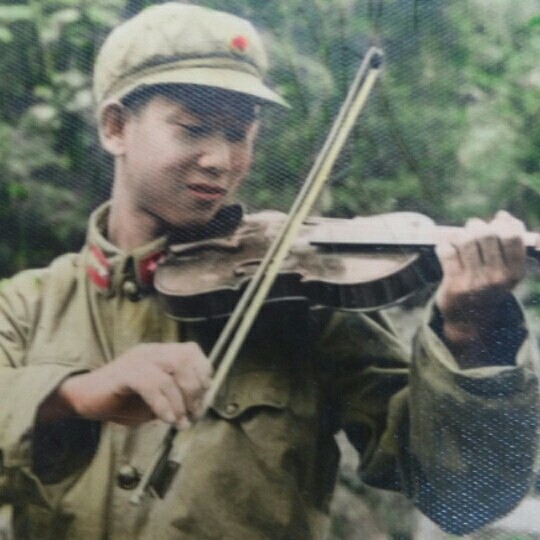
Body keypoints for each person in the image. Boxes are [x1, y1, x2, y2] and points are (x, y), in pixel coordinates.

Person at [0, 3, 538, 540]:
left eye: (239, 134)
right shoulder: (27, 306)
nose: (220, 160)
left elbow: (466, 498)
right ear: (115, 127)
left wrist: (469, 336)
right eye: (193, 129)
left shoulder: (298, 295)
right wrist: (74, 395)